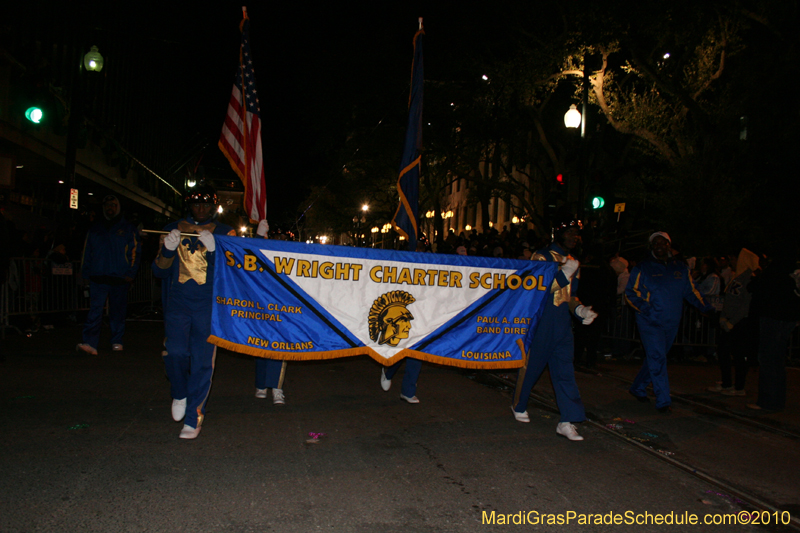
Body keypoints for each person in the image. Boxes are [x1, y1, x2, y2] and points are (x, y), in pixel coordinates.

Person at [152, 185, 235, 440]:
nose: (200, 209)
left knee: (201, 361)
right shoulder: (172, 228)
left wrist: (215, 252)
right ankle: (179, 392)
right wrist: (168, 249)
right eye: (196, 204)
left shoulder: (225, 232)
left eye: (206, 204)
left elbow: (233, 271)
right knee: (175, 352)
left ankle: (194, 417)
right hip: (178, 302)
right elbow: (158, 271)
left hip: (208, 305)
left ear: (213, 207)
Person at [511, 214, 597, 441]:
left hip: (562, 324)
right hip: (541, 321)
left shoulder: (573, 260)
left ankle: (568, 420)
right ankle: (519, 404)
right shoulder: (542, 256)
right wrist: (564, 273)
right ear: (558, 233)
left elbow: (570, 295)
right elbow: (537, 289)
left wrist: (579, 310)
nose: (574, 237)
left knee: (565, 372)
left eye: (576, 234)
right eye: (569, 232)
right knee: (532, 367)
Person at [625, 232, 713, 413]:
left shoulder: (680, 268)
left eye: (662, 243)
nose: (659, 246)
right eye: (655, 243)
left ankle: (638, 387)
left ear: (669, 245)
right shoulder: (643, 267)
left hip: (671, 322)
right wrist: (648, 310)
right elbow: (631, 293)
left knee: (657, 357)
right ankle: (663, 400)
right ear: (651, 247)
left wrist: (706, 308)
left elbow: (691, 291)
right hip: (650, 322)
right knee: (657, 357)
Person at [76, 195, 141, 355]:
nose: (110, 207)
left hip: (119, 277)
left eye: (113, 205)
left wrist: (131, 273)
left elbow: (135, 252)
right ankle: (90, 343)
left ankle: (117, 340)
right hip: (98, 276)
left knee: (117, 311)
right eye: (107, 205)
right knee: (95, 310)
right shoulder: (95, 228)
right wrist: (85, 272)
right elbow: (87, 252)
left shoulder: (128, 228)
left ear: (118, 207)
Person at [746, 252, 800, 412]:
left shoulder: (772, 274)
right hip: (787, 320)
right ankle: (777, 400)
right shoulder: (790, 276)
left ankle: (766, 401)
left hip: (772, 319)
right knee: (777, 361)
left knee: (767, 360)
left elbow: (754, 287)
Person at [708, 248, 760, 396]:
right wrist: (723, 316)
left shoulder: (748, 278)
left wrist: (733, 321)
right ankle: (726, 383)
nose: (731, 262)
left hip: (740, 323)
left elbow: (746, 304)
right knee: (723, 351)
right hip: (730, 321)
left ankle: (739, 387)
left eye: (733, 259)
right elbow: (729, 299)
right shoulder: (736, 277)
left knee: (739, 355)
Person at [253, 219, 288, 404]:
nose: (280, 240)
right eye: (277, 236)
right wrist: (259, 236)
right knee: (260, 345)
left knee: (279, 347)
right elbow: (251, 254)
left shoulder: (292, 255)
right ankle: (261, 385)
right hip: (262, 304)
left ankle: (276, 387)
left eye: (283, 238)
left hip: (283, 307)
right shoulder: (264, 250)